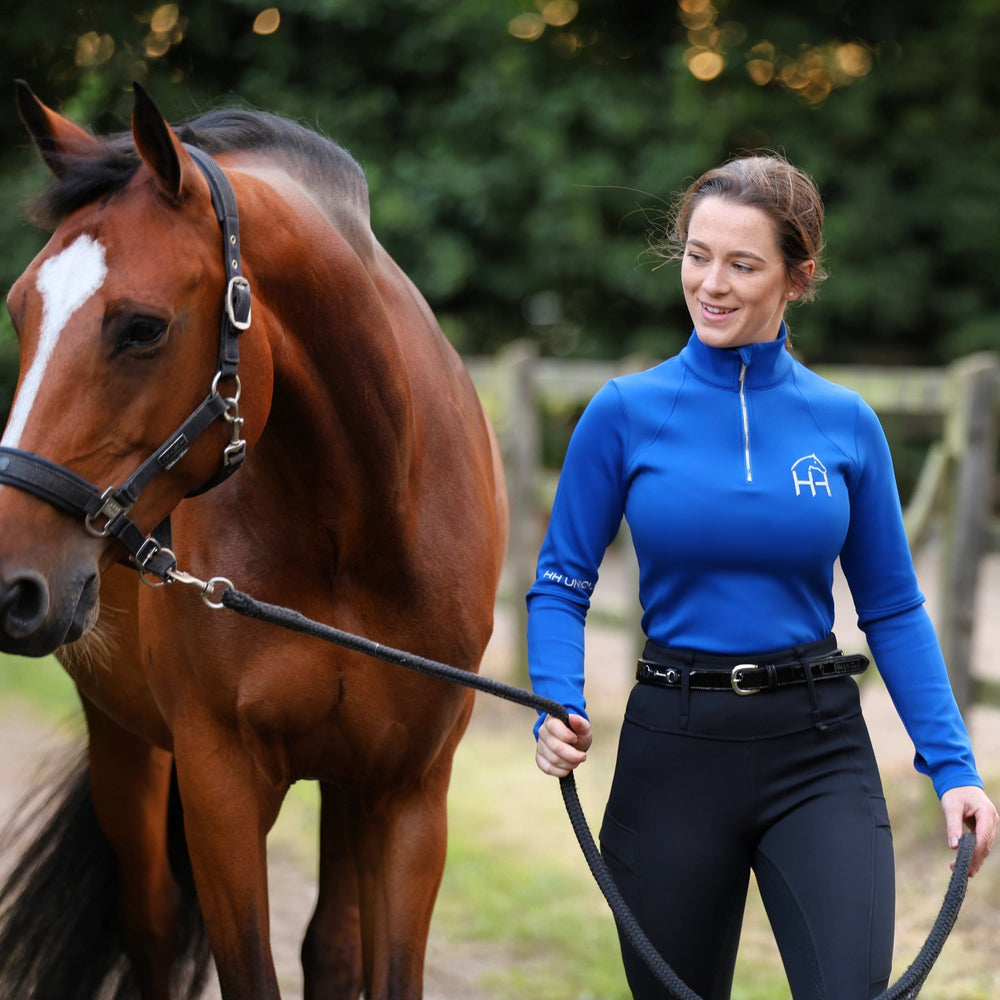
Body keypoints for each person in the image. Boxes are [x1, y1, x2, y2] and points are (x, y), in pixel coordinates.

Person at [526, 153, 997, 1000]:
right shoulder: (623, 413)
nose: (711, 283)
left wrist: (955, 768)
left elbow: (892, 607)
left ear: (798, 276)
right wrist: (557, 699)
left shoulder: (846, 424)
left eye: (743, 264)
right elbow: (562, 580)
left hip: (817, 749)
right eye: (697, 255)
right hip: (673, 748)